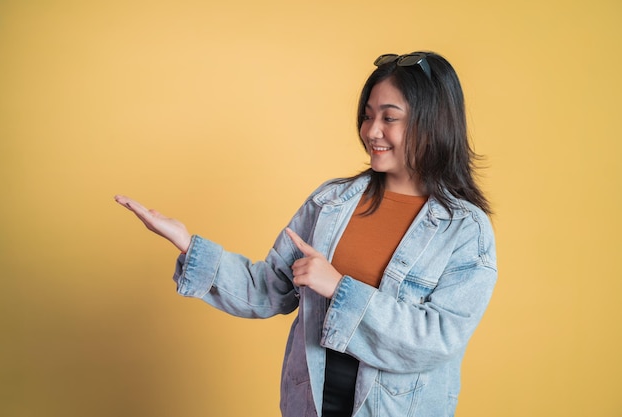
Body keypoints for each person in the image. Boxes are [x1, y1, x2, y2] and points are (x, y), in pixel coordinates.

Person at [115, 51, 497, 417]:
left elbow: (437, 338)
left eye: (389, 117)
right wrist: (186, 243)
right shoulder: (331, 202)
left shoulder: (464, 230)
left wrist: (339, 287)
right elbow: (266, 290)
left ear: (433, 124)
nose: (371, 131)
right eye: (367, 116)